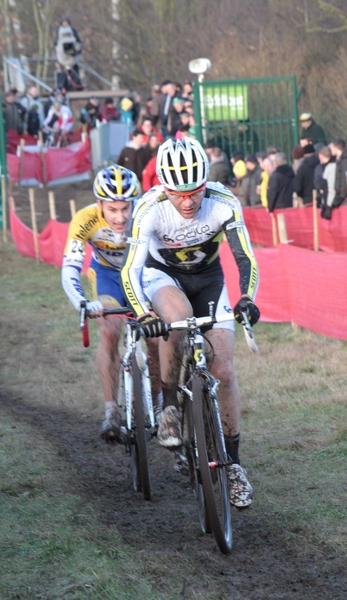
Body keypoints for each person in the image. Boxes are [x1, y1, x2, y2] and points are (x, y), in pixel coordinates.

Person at [120, 138, 260, 508]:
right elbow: (130, 270)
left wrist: (247, 299)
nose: (187, 201)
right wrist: (145, 312)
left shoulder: (223, 202)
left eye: (195, 192)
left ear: (205, 183)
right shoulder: (149, 208)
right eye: (178, 194)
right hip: (161, 276)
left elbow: (244, 257)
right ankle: (169, 406)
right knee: (178, 320)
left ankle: (233, 465)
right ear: (164, 188)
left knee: (224, 371)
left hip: (209, 279)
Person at [61, 166, 142, 442]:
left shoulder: (145, 212)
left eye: (125, 208)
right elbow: (70, 267)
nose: (120, 217)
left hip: (140, 274)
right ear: (99, 205)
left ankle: (160, 403)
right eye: (112, 209)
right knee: (109, 332)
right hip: (106, 275)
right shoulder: (85, 218)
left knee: (156, 333)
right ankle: (112, 411)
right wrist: (83, 302)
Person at [54, 15, 83, 91]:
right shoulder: (59, 33)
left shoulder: (73, 31)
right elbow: (56, 44)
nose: (65, 23)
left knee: (74, 73)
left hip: (72, 58)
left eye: (66, 22)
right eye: (64, 22)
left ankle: (77, 87)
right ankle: (62, 88)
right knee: (63, 74)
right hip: (63, 58)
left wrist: (77, 50)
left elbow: (78, 42)